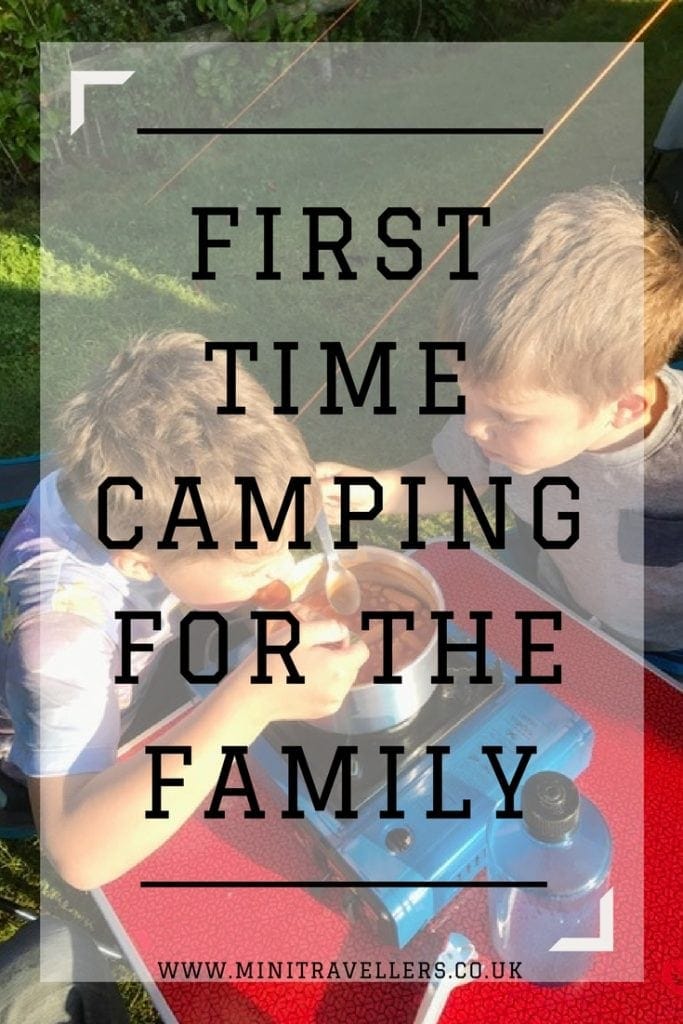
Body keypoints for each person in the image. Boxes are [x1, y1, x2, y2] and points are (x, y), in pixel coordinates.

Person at [0, 330, 369, 1020]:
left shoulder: (129, 486)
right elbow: (78, 851)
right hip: (65, 765)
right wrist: (252, 698)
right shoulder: (62, 641)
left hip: (140, 665)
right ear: (138, 561)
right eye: (255, 560)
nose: (279, 565)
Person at [318, 187, 683, 683]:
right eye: (466, 395)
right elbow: (453, 474)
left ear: (623, 407)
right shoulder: (504, 418)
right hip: (553, 592)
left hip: (666, 651)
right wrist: (374, 492)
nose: (472, 426)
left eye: (505, 416)